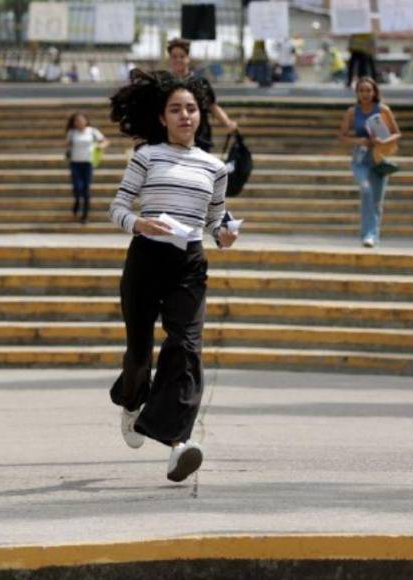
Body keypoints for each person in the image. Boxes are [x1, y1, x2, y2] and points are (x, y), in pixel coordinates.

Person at [107, 69, 238, 482]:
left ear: (201, 116)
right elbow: (117, 207)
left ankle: (178, 443)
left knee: (186, 348)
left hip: (189, 263)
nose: (185, 115)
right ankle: (132, 401)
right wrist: (138, 223)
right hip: (146, 257)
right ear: (162, 117)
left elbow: (216, 220)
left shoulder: (215, 167)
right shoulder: (146, 157)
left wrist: (224, 234)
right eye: (176, 109)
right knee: (139, 355)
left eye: (191, 109)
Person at [338, 77, 402, 248]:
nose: (365, 94)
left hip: (378, 158)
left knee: (376, 201)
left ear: (374, 92)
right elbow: (342, 136)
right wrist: (358, 141)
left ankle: (372, 236)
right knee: (366, 190)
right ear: (357, 93)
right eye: (361, 90)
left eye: (368, 90)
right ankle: (368, 234)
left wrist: (383, 141)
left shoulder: (383, 109)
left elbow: (397, 133)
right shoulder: (352, 112)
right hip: (360, 160)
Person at [167, 38, 238, 152]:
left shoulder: (200, 82)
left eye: (182, 56)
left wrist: (228, 123)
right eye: (174, 57)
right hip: (171, 140)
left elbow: (212, 106)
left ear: (188, 58)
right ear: (170, 59)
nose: (178, 60)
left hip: (200, 138)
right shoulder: (164, 83)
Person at [65, 111, 108, 223]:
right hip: (75, 163)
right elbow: (67, 145)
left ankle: (85, 214)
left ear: (86, 121)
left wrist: (100, 146)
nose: (79, 122)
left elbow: (105, 141)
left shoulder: (92, 131)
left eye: (81, 120)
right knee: (77, 187)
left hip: (87, 163)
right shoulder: (72, 133)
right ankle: (77, 201)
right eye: (77, 120)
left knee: (86, 189)